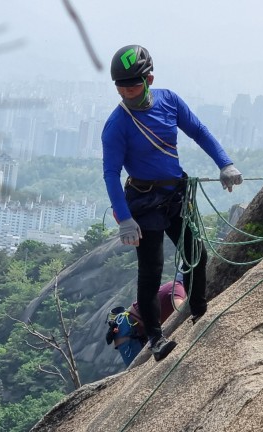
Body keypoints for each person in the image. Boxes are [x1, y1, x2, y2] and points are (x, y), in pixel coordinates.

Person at [101, 44, 243, 362]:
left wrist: (225, 163)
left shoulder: (169, 101)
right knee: (151, 270)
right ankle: (155, 339)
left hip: (174, 194)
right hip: (143, 201)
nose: (126, 91)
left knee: (196, 253)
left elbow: (199, 131)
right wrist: (124, 218)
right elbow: (110, 174)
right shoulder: (118, 124)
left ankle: (198, 312)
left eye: (132, 84)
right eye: (120, 86)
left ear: (149, 78)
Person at [106, 275, 187, 367]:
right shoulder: (178, 288)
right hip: (130, 329)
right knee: (136, 370)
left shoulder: (173, 285)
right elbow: (181, 310)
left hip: (135, 328)